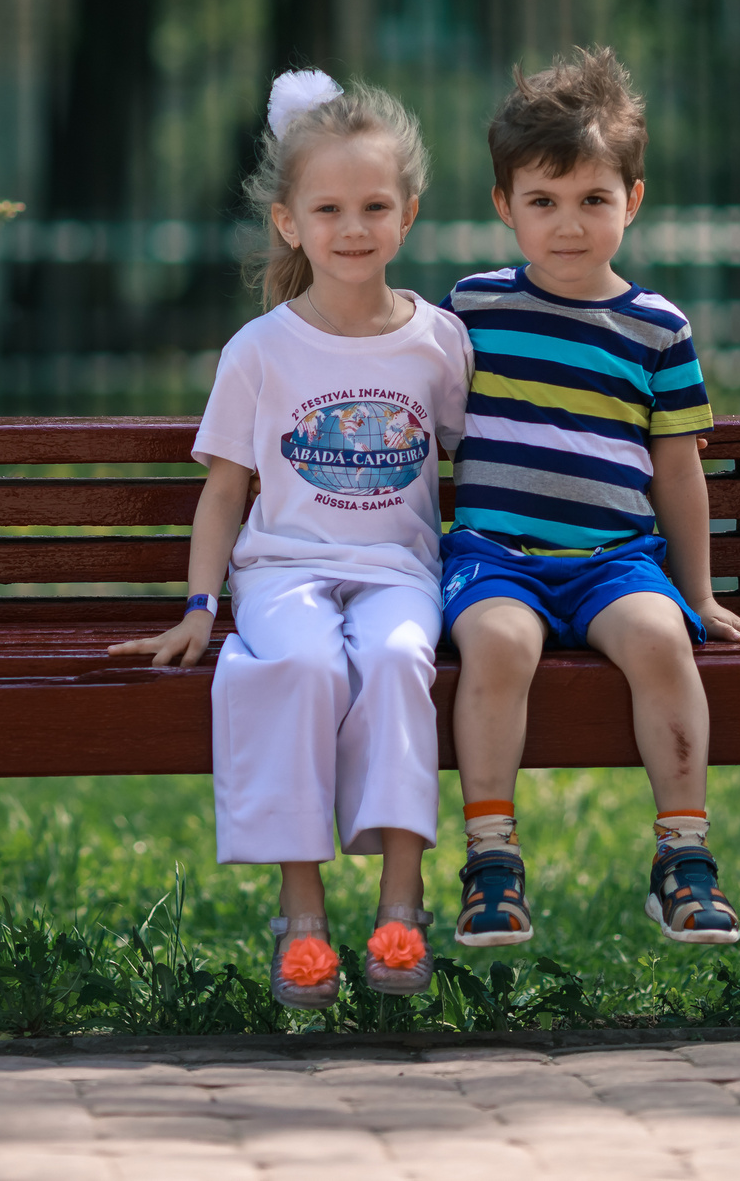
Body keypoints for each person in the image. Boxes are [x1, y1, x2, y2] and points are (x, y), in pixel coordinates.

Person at [109, 69, 470, 1009]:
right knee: (299, 667)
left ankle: (402, 904)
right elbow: (224, 494)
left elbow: (475, 472)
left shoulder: (440, 343)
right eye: (330, 207)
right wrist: (199, 606)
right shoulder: (259, 350)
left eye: (375, 205)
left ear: (409, 213)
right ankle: (300, 910)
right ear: (289, 222)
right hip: (284, 572)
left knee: (397, 662)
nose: (354, 227)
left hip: (399, 571)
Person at [438, 46, 740, 952]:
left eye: (593, 199)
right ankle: (491, 859)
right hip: (495, 557)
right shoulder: (469, 312)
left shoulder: (657, 329)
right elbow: (420, 421)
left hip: (614, 560)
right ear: (503, 205)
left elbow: (678, 469)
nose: (568, 225)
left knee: (661, 639)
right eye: (543, 201)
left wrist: (703, 595)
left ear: (632, 201)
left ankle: (683, 855)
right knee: (498, 642)